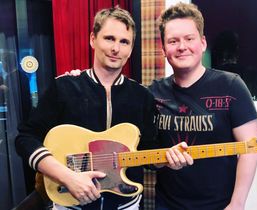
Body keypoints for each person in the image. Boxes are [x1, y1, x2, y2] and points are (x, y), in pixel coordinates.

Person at [15, 7, 191, 210]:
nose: (116, 48)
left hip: (126, 205)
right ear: (93, 39)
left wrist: (167, 160)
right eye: (109, 38)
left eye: (124, 41)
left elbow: (146, 153)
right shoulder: (63, 87)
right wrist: (67, 177)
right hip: (69, 203)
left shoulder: (142, 96)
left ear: (131, 48)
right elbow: (26, 138)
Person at [148, 3, 257, 210]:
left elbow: (250, 150)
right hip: (166, 205)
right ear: (164, 49)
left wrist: (237, 203)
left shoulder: (232, 86)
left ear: (203, 43)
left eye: (189, 38)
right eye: (173, 41)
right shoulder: (153, 93)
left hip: (219, 205)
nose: (182, 46)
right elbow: (145, 151)